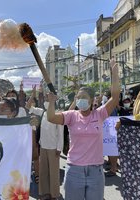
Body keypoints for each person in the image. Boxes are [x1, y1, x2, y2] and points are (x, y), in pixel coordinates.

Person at [47, 58, 120, 200]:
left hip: (96, 172)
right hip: (74, 170)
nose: (80, 100)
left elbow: (115, 97)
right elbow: (51, 118)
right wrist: (51, 103)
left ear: (92, 100)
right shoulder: (71, 115)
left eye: (84, 97)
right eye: (78, 97)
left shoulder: (100, 114)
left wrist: (115, 74)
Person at [27, 93, 64, 200]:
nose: (47, 99)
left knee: (53, 172)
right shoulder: (42, 112)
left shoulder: (58, 114)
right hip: (43, 146)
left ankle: (54, 194)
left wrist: (59, 148)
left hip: (53, 148)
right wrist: (33, 93)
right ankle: (45, 192)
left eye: (50, 97)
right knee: (43, 171)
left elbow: (60, 133)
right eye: (46, 97)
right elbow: (29, 107)